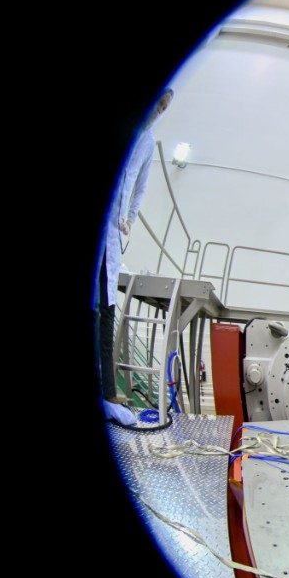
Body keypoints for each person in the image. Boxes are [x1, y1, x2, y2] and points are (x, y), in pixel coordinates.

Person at [97, 88, 174, 423]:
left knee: (106, 310)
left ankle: (108, 390)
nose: (158, 109)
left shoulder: (148, 141)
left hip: (113, 232)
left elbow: (140, 185)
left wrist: (129, 216)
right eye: (158, 101)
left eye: (164, 107)